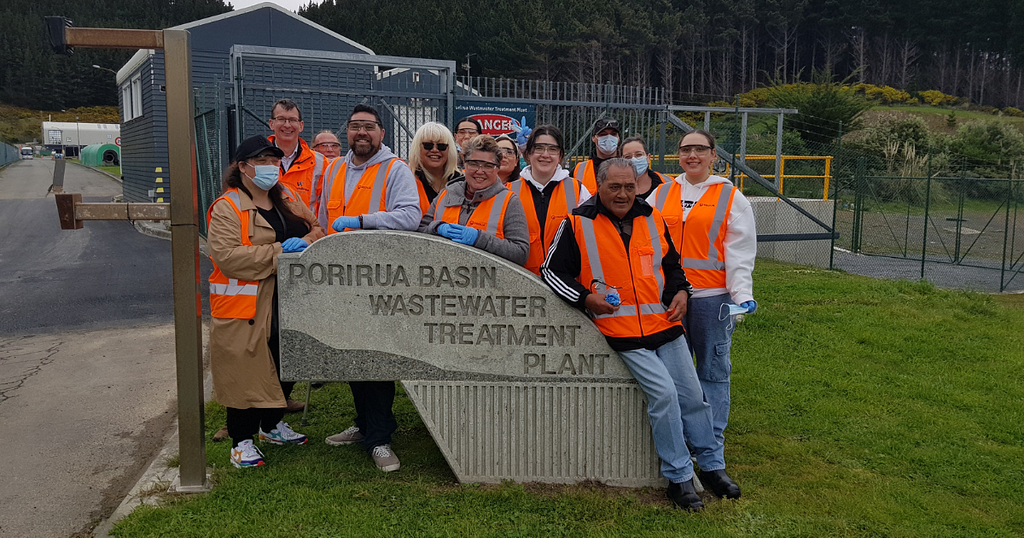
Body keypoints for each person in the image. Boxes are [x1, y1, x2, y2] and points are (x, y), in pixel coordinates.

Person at [542, 158, 741, 511]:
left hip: (664, 325)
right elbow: (552, 272)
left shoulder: (653, 217)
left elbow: (672, 267)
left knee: (693, 397)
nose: (622, 194)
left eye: (629, 186)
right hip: (620, 331)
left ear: (638, 185)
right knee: (664, 395)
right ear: (599, 186)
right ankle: (678, 477)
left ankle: (712, 466)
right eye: (614, 187)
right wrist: (587, 298)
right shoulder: (576, 223)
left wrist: (682, 293)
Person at [207, 136, 325, 468]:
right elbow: (229, 257)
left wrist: (303, 241)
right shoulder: (228, 207)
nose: (271, 167)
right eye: (262, 161)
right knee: (244, 371)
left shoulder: (286, 196)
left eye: (275, 161)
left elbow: (316, 228)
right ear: (242, 167)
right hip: (247, 307)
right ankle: (240, 440)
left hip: (289, 297)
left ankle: (272, 426)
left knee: (285, 359)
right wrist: (279, 252)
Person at [320, 104, 422, 472]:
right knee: (351, 355)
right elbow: (323, 220)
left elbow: (411, 216)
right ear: (347, 131)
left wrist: (363, 220)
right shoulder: (334, 169)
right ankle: (364, 425)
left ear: (382, 132)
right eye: (354, 127)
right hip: (340, 280)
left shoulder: (396, 170)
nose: (361, 133)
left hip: (380, 280)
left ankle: (380, 438)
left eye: (369, 127)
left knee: (377, 359)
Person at [647, 130, 757, 458]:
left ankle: (710, 443)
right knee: (672, 374)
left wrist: (742, 292)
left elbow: (740, 249)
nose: (692, 155)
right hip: (669, 298)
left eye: (699, 149)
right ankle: (679, 438)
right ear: (677, 155)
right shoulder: (661, 194)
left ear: (713, 156)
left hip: (712, 298)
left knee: (712, 371)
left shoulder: (730, 196)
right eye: (685, 150)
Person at [419, 135, 530, 265]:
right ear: (464, 164)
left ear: (497, 168)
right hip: (442, 278)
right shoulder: (446, 194)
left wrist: (479, 239)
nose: (479, 171)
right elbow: (420, 232)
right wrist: (437, 228)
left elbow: (521, 252)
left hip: (486, 281)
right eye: (473, 164)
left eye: (488, 166)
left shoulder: (509, 202)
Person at [507, 125, 590, 275]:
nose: (545, 154)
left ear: (560, 155)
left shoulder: (578, 190)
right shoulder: (509, 191)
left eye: (552, 149)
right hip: (520, 282)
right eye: (539, 148)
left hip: (567, 283)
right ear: (528, 153)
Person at [267, 99, 328, 214]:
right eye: (281, 119)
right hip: (266, 229)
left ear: (301, 126)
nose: (287, 125)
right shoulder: (256, 159)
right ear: (271, 124)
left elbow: (324, 207)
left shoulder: (320, 163)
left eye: (292, 120)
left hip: (306, 230)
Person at [408, 122, 463, 210]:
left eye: (441, 146)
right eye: (428, 145)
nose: (434, 150)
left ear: (450, 150)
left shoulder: (461, 181)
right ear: (418, 148)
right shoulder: (407, 180)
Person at [572, 117, 620, 194]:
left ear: (618, 138)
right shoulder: (580, 170)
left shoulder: (627, 168)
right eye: (603, 134)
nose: (608, 138)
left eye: (613, 134)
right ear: (594, 138)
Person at [621, 136, 671, 200]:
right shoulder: (614, 188)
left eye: (639, 155)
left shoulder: (668, 183)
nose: (634, 160)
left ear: (648, 158)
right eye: (628, 157)